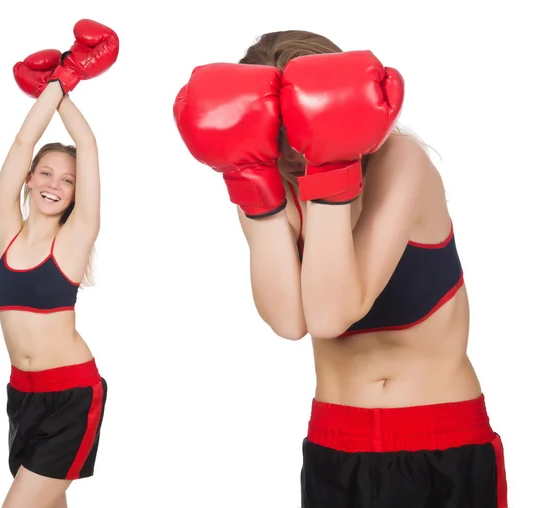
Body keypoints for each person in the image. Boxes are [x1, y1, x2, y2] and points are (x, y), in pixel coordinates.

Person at [173, 30, 508, 507]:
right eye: (276, 131)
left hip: (440, 438)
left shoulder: (402, 162)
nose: (290, 150)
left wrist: (331, 160)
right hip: (336, 441)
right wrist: (253, 186)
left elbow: (333, 315)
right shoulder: (266, 180)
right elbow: (290, 322)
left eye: (299, 123)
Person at [0, 19, 118, 508]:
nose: (53, 184)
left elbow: (88, 147)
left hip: (71, 397)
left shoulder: (74, 241)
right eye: (45, 173)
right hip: (21, 398)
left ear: (74, 194)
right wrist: (52, 89)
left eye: (66, 181)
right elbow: (23, 144)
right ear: (28, 180)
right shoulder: (5, 231)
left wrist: (64, 83)